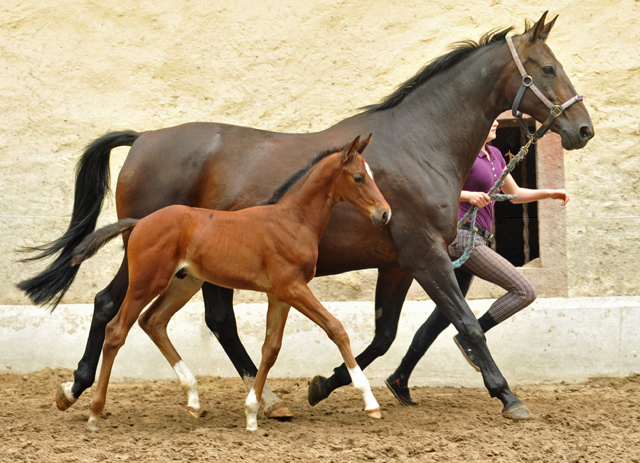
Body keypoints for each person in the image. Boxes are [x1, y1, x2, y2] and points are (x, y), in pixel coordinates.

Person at [385, 119, 570, 406]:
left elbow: (515, 194)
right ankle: (474, 335)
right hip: (461, 237)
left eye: (498, 118)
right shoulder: (463, 153)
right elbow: (431, 191)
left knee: (444, 315)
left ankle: (400, 377)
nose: (496, 121)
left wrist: (549, 193)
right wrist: (467, 195)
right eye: (490, 119)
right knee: (525, 290)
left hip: (480, 238)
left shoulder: (494, 155)